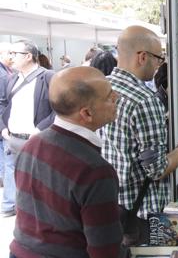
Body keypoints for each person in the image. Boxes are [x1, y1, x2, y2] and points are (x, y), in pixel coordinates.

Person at [10, 67, 123, 258]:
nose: (117, 97)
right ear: (86, 113)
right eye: (109, 96)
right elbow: (105, 250)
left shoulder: (32, 144)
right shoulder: (94, 170)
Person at [101, 26, 178, 245]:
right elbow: (156, 169)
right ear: (142, 56)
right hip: (143, 213)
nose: (159, 65)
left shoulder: (102, 87)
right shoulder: (145, 100)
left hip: (113, 203)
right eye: (158, 58)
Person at [0, 40, 55, 218]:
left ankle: (42, 216)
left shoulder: (47, 77)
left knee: (40, 181)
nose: (10, 57)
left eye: (14, 53)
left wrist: (40, 129)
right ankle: (20, 212)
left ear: (28, 56)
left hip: (37, 140)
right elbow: (4, 104)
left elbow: (59, 109)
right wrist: (3, 127)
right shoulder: (12, 78)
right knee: (17, 179)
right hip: (13, 139)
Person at [0, 42, 13, 188]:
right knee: (9, 163)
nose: (12, 56)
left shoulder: (6, 72)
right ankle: (9, 202)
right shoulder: (4, 75)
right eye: (10, 53)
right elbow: (4, 102)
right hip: (3, 124)